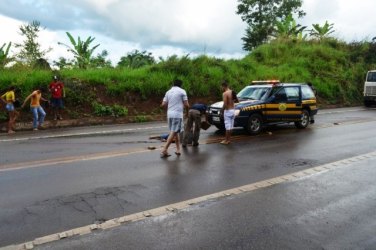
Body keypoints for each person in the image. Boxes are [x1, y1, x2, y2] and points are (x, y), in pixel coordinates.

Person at [160, 79, 189, 158]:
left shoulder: (168, 92)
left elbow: (163, 105)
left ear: (173, 84)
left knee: (176, 132)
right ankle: (164, 149)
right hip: (177, 115)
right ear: (181, 85)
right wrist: (187, 113)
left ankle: (178, 149)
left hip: (169, 114)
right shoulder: (182, 91)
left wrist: (170, 107)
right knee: (174, 132)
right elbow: (186, 105)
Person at [220, 81, 238, 145]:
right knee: (231, 127)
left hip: (227, 111)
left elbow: (225, 103)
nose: (221, 88)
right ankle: (229, 140)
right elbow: (237, 100)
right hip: (233, 110)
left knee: (227, 127)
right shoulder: (232, 92)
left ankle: (226, 140)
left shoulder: (225, 93)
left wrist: (222, 110)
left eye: (221, 87)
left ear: (224, 86)